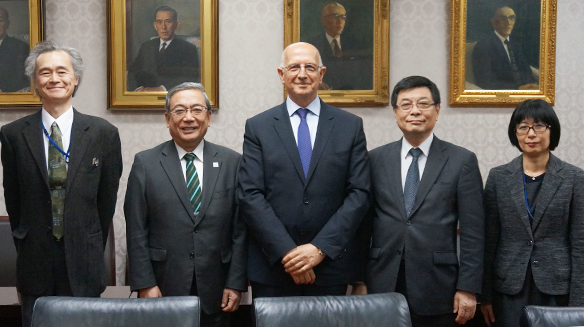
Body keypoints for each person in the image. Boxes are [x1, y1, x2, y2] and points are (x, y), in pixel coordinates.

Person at [0, 40, 123, 327]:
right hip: (35, 263)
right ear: (34, 82)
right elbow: (14, 201)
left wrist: (90, 241)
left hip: (85, 262)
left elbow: (106, 203)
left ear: (75, 79)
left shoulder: (103, 134)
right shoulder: (14, 135)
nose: (54, 79)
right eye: (45, 73)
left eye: (62, 71)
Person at [238, 42, 370, 297]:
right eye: (294, 67)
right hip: (274, 266)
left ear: (321, 75)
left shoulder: (349, 126)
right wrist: (288, 253)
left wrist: (319, 249)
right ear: (281, 75)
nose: (302, 74)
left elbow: (359, 194)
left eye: (310, 67)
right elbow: (250, 194)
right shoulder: (258, 127)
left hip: (330, 266)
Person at [364, 76, 484, 327]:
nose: (415, 111)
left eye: (423, 103)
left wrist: (469, 288)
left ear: (437, 110)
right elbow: (361, 224)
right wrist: (358, 279)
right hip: (382, 279)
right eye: (405, 104)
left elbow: (474, 231)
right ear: (395, 112)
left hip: (439, 285)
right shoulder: (374, 160)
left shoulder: (461, 160)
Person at [125, 82, 247, 327]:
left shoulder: (232, 162)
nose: (188, 118)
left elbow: (240, 229)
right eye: (179, 111)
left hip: (217, 287)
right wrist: (145, 283)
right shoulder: (146, 163)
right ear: (168, 119)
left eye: (196, 110)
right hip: (163, 285)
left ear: (209, 117)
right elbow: (136, 229)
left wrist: (235, 282)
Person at [480, 99, 583, 327]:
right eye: (523, 126)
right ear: (515, 132)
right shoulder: (498, 177)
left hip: (557, 287)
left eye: (539, 126)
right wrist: (484, 296)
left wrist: (579, 304)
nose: (531, 134)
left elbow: (580, 244)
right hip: (508, 286)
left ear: (551, 130)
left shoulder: (574, 178)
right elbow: (489, 240)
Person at [127, 5, 200, 92]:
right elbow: (133, 73)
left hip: (173, 95)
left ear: (176, 25)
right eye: (159, 22)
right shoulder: (146, 46)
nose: (163, 27)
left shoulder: (188, 48)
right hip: (145, 97)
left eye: (168, 21)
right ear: (155, 25)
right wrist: (138, 89)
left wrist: (162, 89)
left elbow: (190, 77)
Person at [306, 2, 373, 90]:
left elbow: (364, 74)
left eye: (343, 17)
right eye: (335, 16)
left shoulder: (354, 45)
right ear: (323, 20)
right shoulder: (312, 45)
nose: (340, 21)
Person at [472, 6, 538, 90]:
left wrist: (532, 85)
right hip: (503, 94)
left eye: (511, 18)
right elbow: (485, 82)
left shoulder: (515, 45)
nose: (508, 22)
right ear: (493, 22)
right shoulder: (483, 46)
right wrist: (518, 88)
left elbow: (527, 72)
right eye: (503, 18)